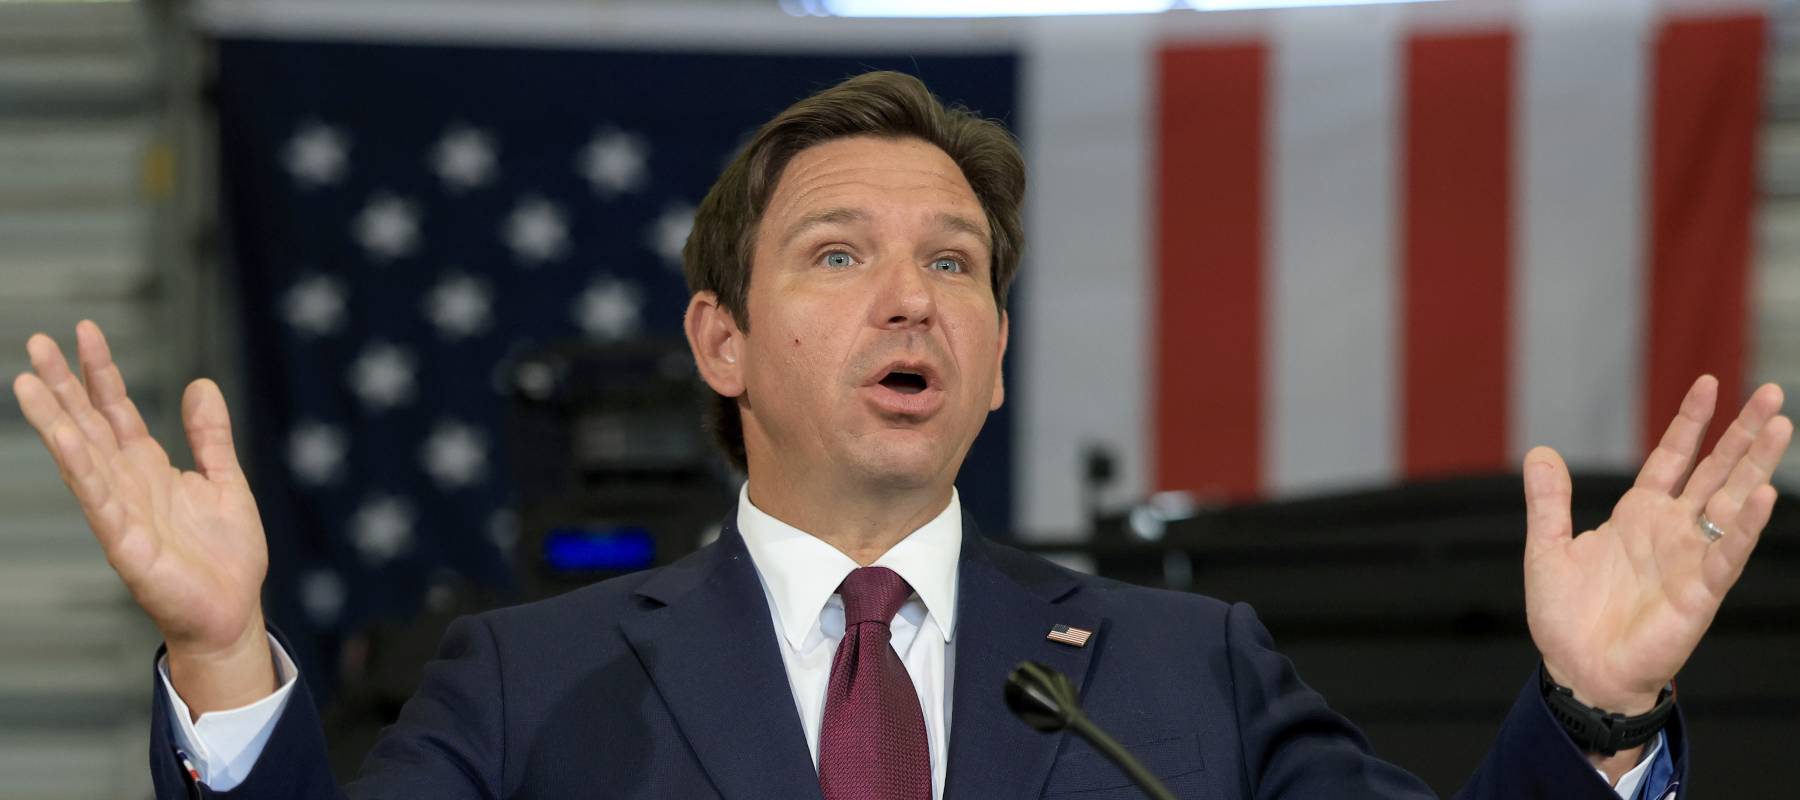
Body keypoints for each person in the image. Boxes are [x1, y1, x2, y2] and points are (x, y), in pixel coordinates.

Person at [11, 70, 1790, 800]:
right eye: (840, 255)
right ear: (723, 340)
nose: (912, 296)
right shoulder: (518, 690)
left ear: (1000, 357)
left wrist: (1598, 719)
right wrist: (227, 654)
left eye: (955, 264)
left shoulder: (1187, 675)